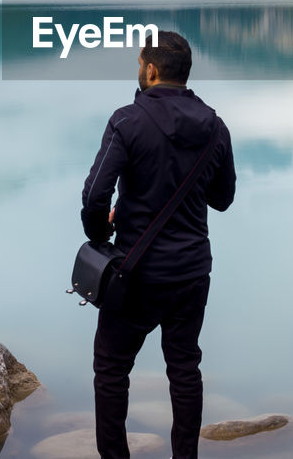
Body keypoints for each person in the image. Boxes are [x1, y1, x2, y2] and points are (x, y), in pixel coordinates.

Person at [82, 29, 236, 459]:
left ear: (150, 70)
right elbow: (223, 199)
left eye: (138, 64)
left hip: (136, 274)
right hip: (191, 273)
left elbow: (96, 196)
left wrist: (100, 237)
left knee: (112, 371)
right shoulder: (215, 127)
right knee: (185, 368)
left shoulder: (127, 120)